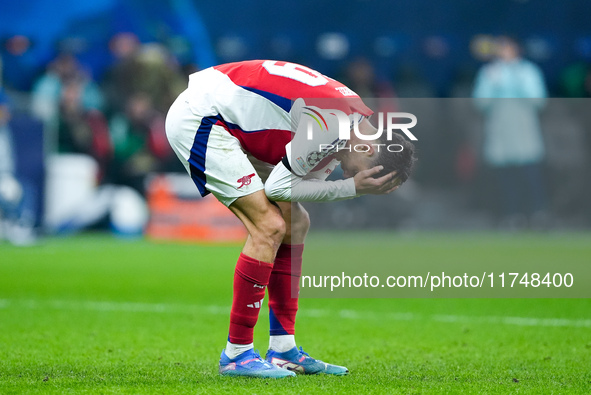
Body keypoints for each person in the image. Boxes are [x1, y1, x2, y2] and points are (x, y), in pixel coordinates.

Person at [165, 60, 415, 378]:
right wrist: (351, 187)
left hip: (226, 116)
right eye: (360, 174)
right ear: (367, 149)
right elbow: (278, 186)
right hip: (202, 116)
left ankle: (283, 350)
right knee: (268, 226)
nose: (352, 176)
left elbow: (299, 187)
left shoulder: (349, 126)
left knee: (295, 223)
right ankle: (237, 354)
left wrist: (350, 185)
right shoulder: (334, 123)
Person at [472, 36, 549, 228]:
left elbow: (539, 100)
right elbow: (480, 102)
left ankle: (537, 214)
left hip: (524, 128)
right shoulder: (489, 72)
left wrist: (516, 81)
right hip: (500, 129)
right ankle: (511, 215)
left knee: (530, 174)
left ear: (516, 48)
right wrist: (495, 83)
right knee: (506, 177)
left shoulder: (528, 71)